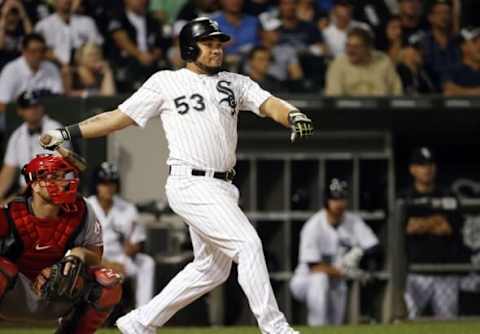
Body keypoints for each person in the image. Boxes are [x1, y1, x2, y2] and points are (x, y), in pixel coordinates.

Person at [39, 17, 313, 334]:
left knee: (211, 269)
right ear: (189, 47)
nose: (216, 49)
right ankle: (275, 328)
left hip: (223, 186)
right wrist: (67, 132)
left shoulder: (234, 82)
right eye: (208, 43)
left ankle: (139, 321)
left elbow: (269, 104)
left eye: (219, 43)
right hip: (190, 182)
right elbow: (117, 117)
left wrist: (292, 114)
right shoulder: (166, 81)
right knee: (248, 244)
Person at [0, 154, 123, 333]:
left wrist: (79, 253)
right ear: (34, 184)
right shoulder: (10, 214)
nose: (62, 182)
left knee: (108, 281)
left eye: (63, 176)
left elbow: (96, 260)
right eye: (53, 177)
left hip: (60, 294)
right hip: (15, 295)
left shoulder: (83, 210)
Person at [289, 178, 379, 326]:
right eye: (335, 199)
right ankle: (316, 328)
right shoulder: (314, 225)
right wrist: (345, 272)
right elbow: (314, 266)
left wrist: (362, 264)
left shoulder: (353, 221)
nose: (339, 203)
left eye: (342, 198)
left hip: (337, 280)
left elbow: (374, 247)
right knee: (320, 279)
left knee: (334, 323)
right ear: (327, 201)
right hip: (306, 279)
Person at [402, 147, 469, 319]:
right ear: (412, 169)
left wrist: (421, 224)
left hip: (444, 272)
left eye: (430, 164)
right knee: (410, 320)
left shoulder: (447, 194)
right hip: (415, 272)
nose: (427, 169)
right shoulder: (405, 197)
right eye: (422, 165)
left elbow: (449, 227)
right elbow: (408, 227)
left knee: (448, 324)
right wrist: (436, 220)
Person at [87, 161, 155, 308]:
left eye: (112, 183)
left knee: (146, 263)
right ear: (96, 185)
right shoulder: (86, 206)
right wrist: (106, 264)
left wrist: (133, 248)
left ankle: (142, 314)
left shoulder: (127, 208)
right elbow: (80, 244)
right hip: (93, 259)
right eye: (104, 183)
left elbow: (137, 240)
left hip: (121, 260)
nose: (109, 187)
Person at [0, 90, 70, 202]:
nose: (33, 110)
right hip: (28, 195)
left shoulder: (55, 130)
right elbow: (8, 170)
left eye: (36, 106)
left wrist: (16, 197)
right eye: (28, 107)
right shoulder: (17, 135)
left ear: (42, 107)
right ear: (20, 111)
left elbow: (54, 171)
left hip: (55, 191)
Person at [0, 33, 63, 131]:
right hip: (17, 120)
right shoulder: (11, 70)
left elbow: (58, 98)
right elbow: (2, 105)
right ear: (24, 51)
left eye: (41, 51)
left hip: (47, 119)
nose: (38, 55)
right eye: (33, 51)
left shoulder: (51, 68)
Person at [325, 26, 403, 96]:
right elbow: (334, 98)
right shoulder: (338, 64)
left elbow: (397, 91)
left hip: (381, 110)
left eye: (356, 47)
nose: (350, 51)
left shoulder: (383, 62)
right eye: (348, 46)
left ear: (368, 48)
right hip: (349, 111)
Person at [34, 0, 103, 67]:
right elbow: (39, 50)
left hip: (86, 65)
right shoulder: (43, 25)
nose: (67, 1)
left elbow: (97, 45)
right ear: (55, 2)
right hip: (57, 67)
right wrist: (62, 65)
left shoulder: (87, 21)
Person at [442, 27, 480, 96]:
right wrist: (475, 92)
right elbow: (448, 91)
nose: (479, 45)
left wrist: (460, 91)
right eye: (474, 41)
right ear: (463, 46)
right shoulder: (452, 70)